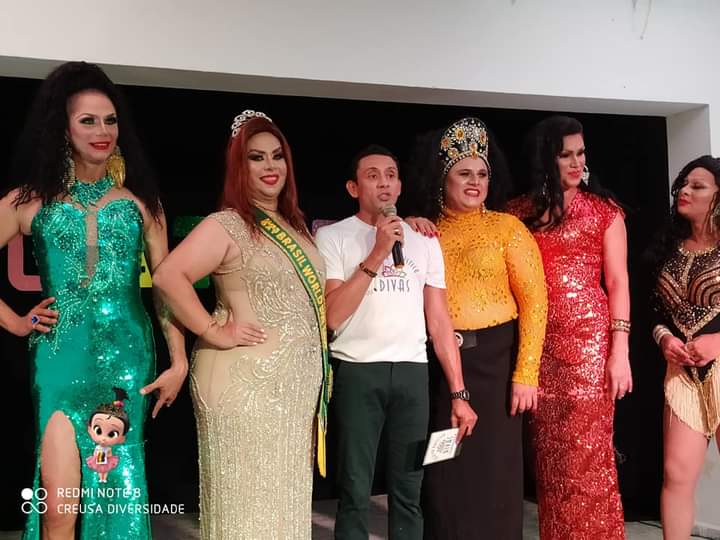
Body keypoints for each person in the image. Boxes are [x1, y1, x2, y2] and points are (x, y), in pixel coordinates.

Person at [0, 61, 186, 540]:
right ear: (62, 129)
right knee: (58, 508)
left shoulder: (141, 204)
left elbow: (167, 288)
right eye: (88, 121)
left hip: (127, 359)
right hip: (59, 358)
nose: (102, 131)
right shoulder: (28, 202)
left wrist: (179, 359)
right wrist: (15, 322)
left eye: (110, 120)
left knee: (115, 499)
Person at [152, 110, 330, 540]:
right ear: (238, 166)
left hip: (292, 396)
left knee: (281, 511)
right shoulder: (227, 224)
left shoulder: (297, 226)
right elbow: (168, 276)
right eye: (256, 157)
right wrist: (212, 330)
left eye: (277, 156)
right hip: (244, 389)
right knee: (245, 511)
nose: (270, 166)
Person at [315, 144, 477, 540]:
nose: (383, 183)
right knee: (355, 488)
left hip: (411, 373)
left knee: (409, 489)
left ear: (400, 186)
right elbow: (332, 316)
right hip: (357, 371)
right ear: (354, 188)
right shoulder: (332, 236)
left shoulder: (424, 239)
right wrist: (378, 252)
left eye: (390, 175)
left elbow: (439, 320)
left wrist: (459, 393)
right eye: (372, 176)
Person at [407, 117, 548, 539]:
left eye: (482, 174)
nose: (475, 182)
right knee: (444, 477)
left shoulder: (508, 228)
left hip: (497, 368)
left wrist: (526, 373)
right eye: (464, 173)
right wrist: (411, 225)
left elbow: (535, 302)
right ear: (442, 178)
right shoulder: (424, 230)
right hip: (443, 367)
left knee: (495, 478)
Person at [507, 115, 632, 539]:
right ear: (546, 158)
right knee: (552, 465)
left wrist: (620, 352)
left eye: (581, 153)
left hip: (590, 350)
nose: (577, 163)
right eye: (566, 155)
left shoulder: (605, 212)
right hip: (538, 350)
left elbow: (618, 282)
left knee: (590, 459)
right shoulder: (518, 213)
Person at [649, 155, 720, 540]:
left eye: (698, 186)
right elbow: (654, 312)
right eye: (684, 185)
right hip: (681, 373)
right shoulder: (668, 248)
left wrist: (718, 342)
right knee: (675, 474)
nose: (686, 191)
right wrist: (665, 339)